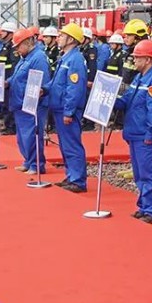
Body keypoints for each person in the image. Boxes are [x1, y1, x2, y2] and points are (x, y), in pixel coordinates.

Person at [115, 39, 152, 222]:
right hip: (135, 132)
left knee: (149, 173)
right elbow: (127, 100)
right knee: (139, 174)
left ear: (148, 60)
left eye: (137, 57)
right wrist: (111, 100)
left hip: (145, 135)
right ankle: (144, 206)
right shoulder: (140, 78)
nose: (134, 60)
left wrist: (151, 134)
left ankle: (151, 210)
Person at [46, 23, 89, 193]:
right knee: (65, 145)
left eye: (62, 36)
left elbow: (74, 88)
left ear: (71, 39)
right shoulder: (66, 57)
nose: (59, 38)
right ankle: (71, 175)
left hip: (66, 110)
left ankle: (78, 180)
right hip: (60, 108)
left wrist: (69, 111)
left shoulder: (75, 59)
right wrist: (45, 89)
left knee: (72, 145)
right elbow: (57, 82)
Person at [8, 28, 52, 174]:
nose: (17, 50)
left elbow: (42, 82)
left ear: (27, 42)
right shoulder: (25, 57)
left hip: (32, 105)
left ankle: (36, 164)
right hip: (20, 102)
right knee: (23, 136)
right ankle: (28, 161)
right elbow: (18, 76)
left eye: (18, 46)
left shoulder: (38, 58)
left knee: (32, 135)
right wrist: (8, 82)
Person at [0, 22, 18, 135]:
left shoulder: (13, 48)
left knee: (10, 104)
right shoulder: (5, 46)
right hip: (3, 78)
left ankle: (12, 127)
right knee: (4, 103)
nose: (1, 33)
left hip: (9, 79)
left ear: (10, 33)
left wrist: (10, 79)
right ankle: (7, 124)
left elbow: (14, 65)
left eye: (4, 31)